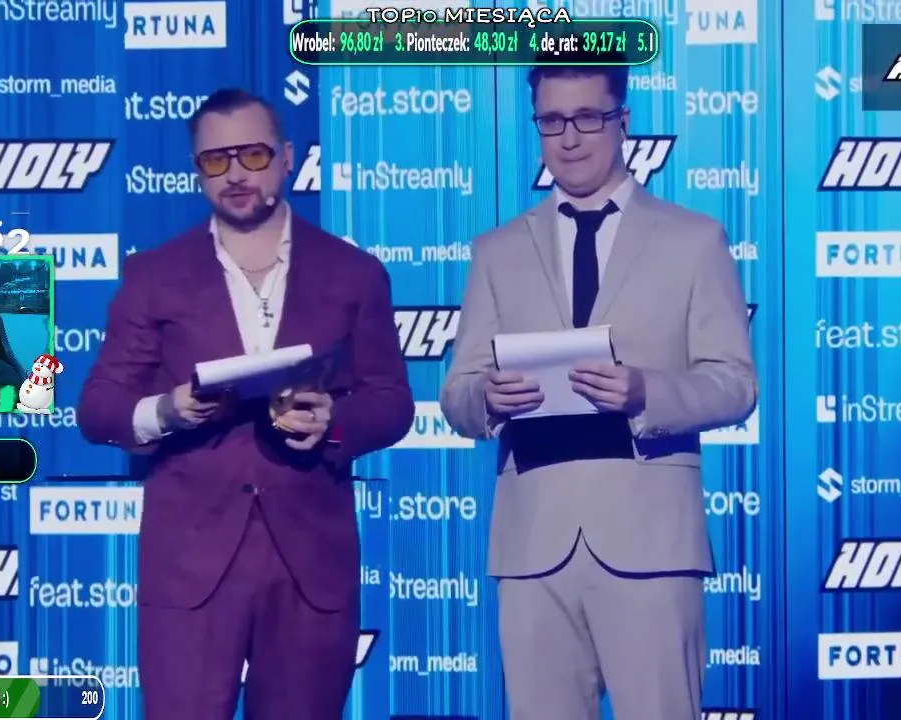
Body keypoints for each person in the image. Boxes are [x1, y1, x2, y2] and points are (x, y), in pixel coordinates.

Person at [78, 88, 413, 720]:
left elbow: (392, 402)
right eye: (216, 160)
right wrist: (166, 411)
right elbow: (99, 408)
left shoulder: (354, 273)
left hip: (311, 565)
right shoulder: (154, 275)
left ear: (287, 158)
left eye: (253, 155)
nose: (235, 173)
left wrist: (333, 422)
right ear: (197, 170)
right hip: (190, 565)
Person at [439, 61, 757, 719]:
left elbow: (735, 383)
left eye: (587, 117)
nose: (569, 137)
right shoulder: (497, 250)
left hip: (651, 543)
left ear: (622, 121)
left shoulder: (694, 240)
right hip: (533, 549)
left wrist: (645, 392)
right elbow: (457, 394)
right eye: (552, 121)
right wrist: (488, 400)